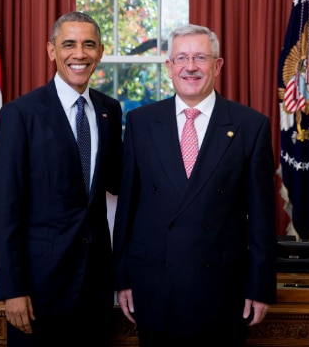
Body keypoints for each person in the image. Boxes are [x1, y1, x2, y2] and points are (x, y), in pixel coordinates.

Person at [113, 24, 277, 347]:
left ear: (217, 65)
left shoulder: (250, 125)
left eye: (201, 57)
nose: (191, 66)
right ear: (169, 67)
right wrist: (122, 280)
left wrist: (260, 287)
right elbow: (127, 209)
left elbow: (262, 220)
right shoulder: (141, 122)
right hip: (155, 286)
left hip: (221, 290)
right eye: (182, 58)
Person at [0, 11, 123, 347]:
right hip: (39, 289)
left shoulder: (110, 110)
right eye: (69, 44)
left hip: (96, 287)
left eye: (89, 45)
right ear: (52, 51)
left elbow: (118, 182)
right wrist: (13, 290)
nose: (80, 54)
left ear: (101, 51)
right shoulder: (21, 114)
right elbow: (5, 210)